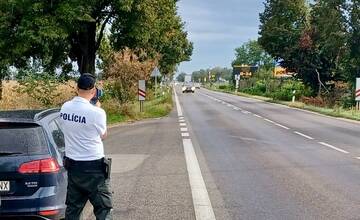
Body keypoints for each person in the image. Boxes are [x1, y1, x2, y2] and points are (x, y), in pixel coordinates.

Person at [59, 73, 112, 220]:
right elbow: (103, 135)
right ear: (94, 91)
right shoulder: (97, 112)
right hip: (95, 169)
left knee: (73, 211)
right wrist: (96, 107)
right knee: (103, 210)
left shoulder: (65, 108)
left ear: (77, 88)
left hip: (74, 168)